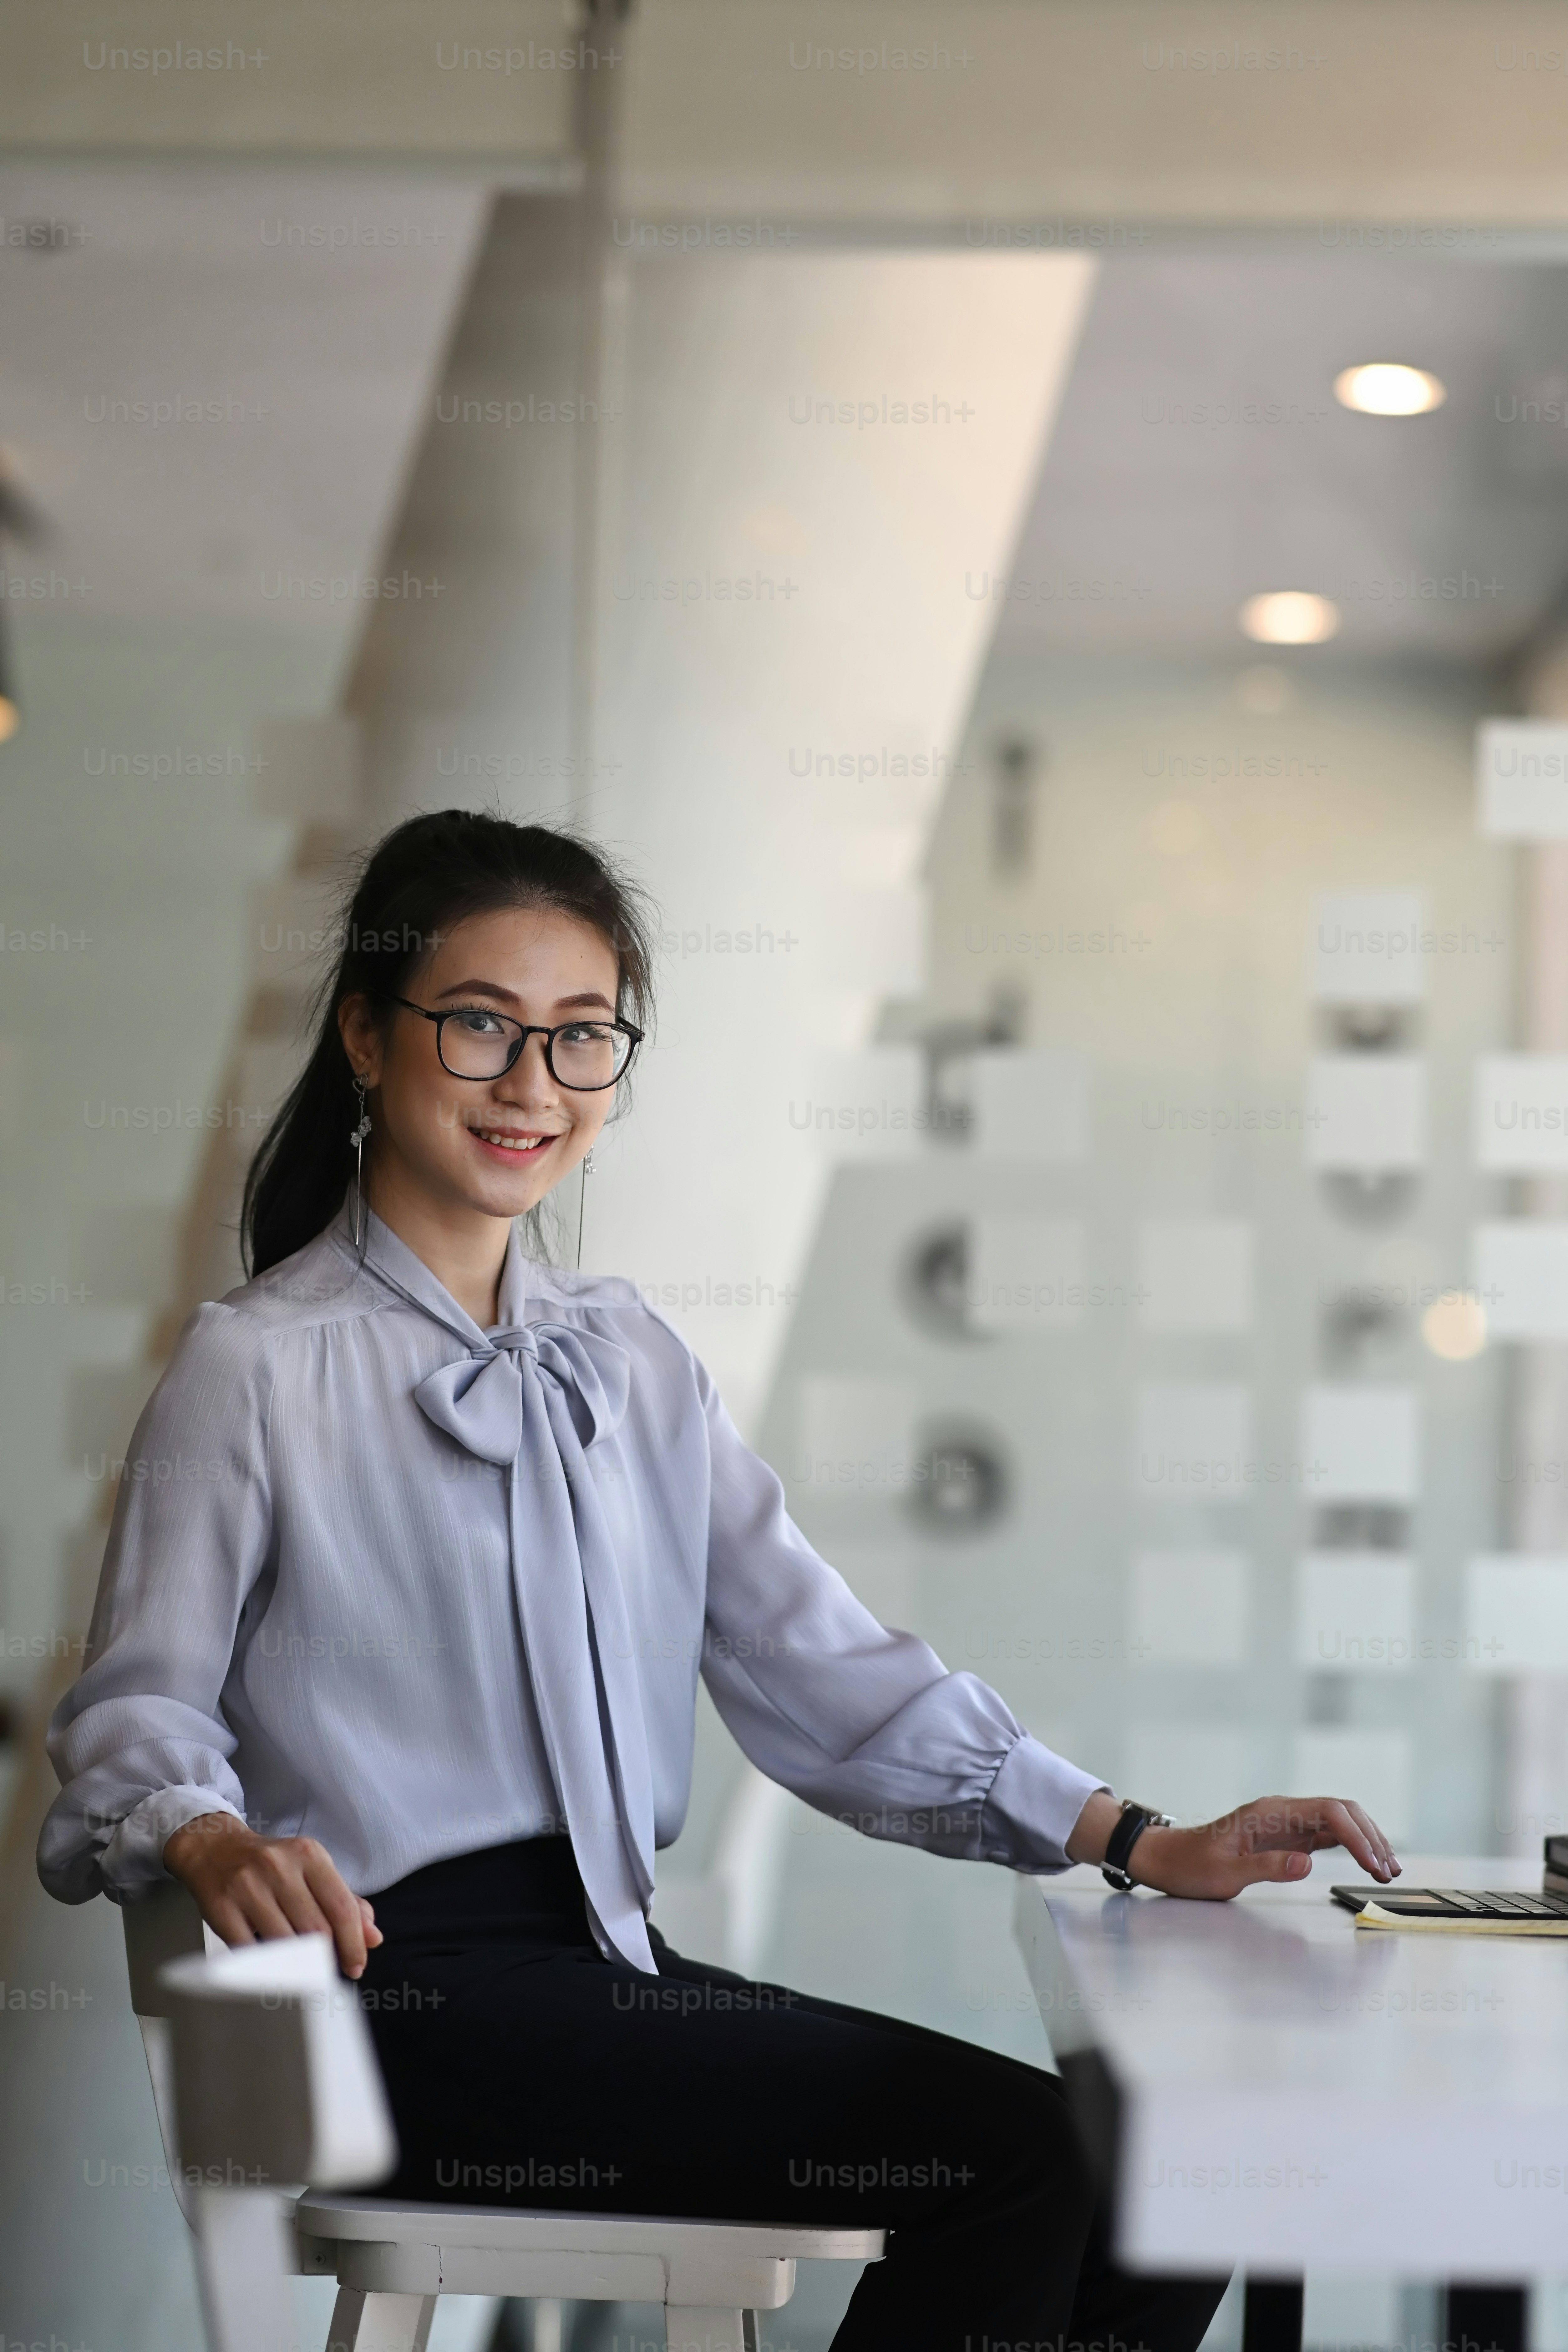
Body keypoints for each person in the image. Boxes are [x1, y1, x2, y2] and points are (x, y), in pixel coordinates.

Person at [38, 810, 1398, 2352]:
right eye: (480, 1023)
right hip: (396, 2009)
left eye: (580, 1038)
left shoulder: (636, 1360)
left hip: (612, 1971)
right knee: (1028, 2166)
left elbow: (824, 1670)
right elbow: (132, 1704)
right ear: (367, 1032)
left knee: (1147, 2164)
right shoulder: (256, 1364)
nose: (531, 1085)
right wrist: (206, 1831)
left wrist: (1139, 1835)